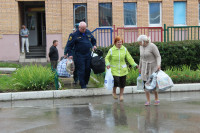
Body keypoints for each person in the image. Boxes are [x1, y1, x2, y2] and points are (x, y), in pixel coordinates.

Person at [105, 36, 138, 101]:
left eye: (121, 42)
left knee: (122, 83)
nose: (120, 44)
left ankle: (121, 95)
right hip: (114, 70)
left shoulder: (124, 49)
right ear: (115, 43)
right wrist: (107, 64)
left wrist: (134, 64)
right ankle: (114, 92)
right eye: (118, 42)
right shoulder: (111, 50)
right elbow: (107, 58)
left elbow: (129, 58)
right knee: (116, 81)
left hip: (123, 70)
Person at [66, 21, 96, 89]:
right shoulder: (74, 35)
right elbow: (69, 46)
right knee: (81, 70)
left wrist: (94, 45)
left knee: (88, 69)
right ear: (79, 28)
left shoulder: (88, 32)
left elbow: (93, 40)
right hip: (79, 55)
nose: (84, 30)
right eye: (82, 29)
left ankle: (85, 82)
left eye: (85, 28)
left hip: (88, 54)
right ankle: (83, 85)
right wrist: (70, 54)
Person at [137, 35, 161, 106]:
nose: (139, 44)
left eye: (139, 42)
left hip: (153, 67)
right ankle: (148, 100)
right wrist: (140, 67)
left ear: (143, 41)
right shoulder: (140, 47)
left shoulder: (152, 46)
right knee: (145, 84)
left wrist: (158, 65)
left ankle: (156, 99)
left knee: (153, 84)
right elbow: (141, 58)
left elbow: (158, 56)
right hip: (144, 67)